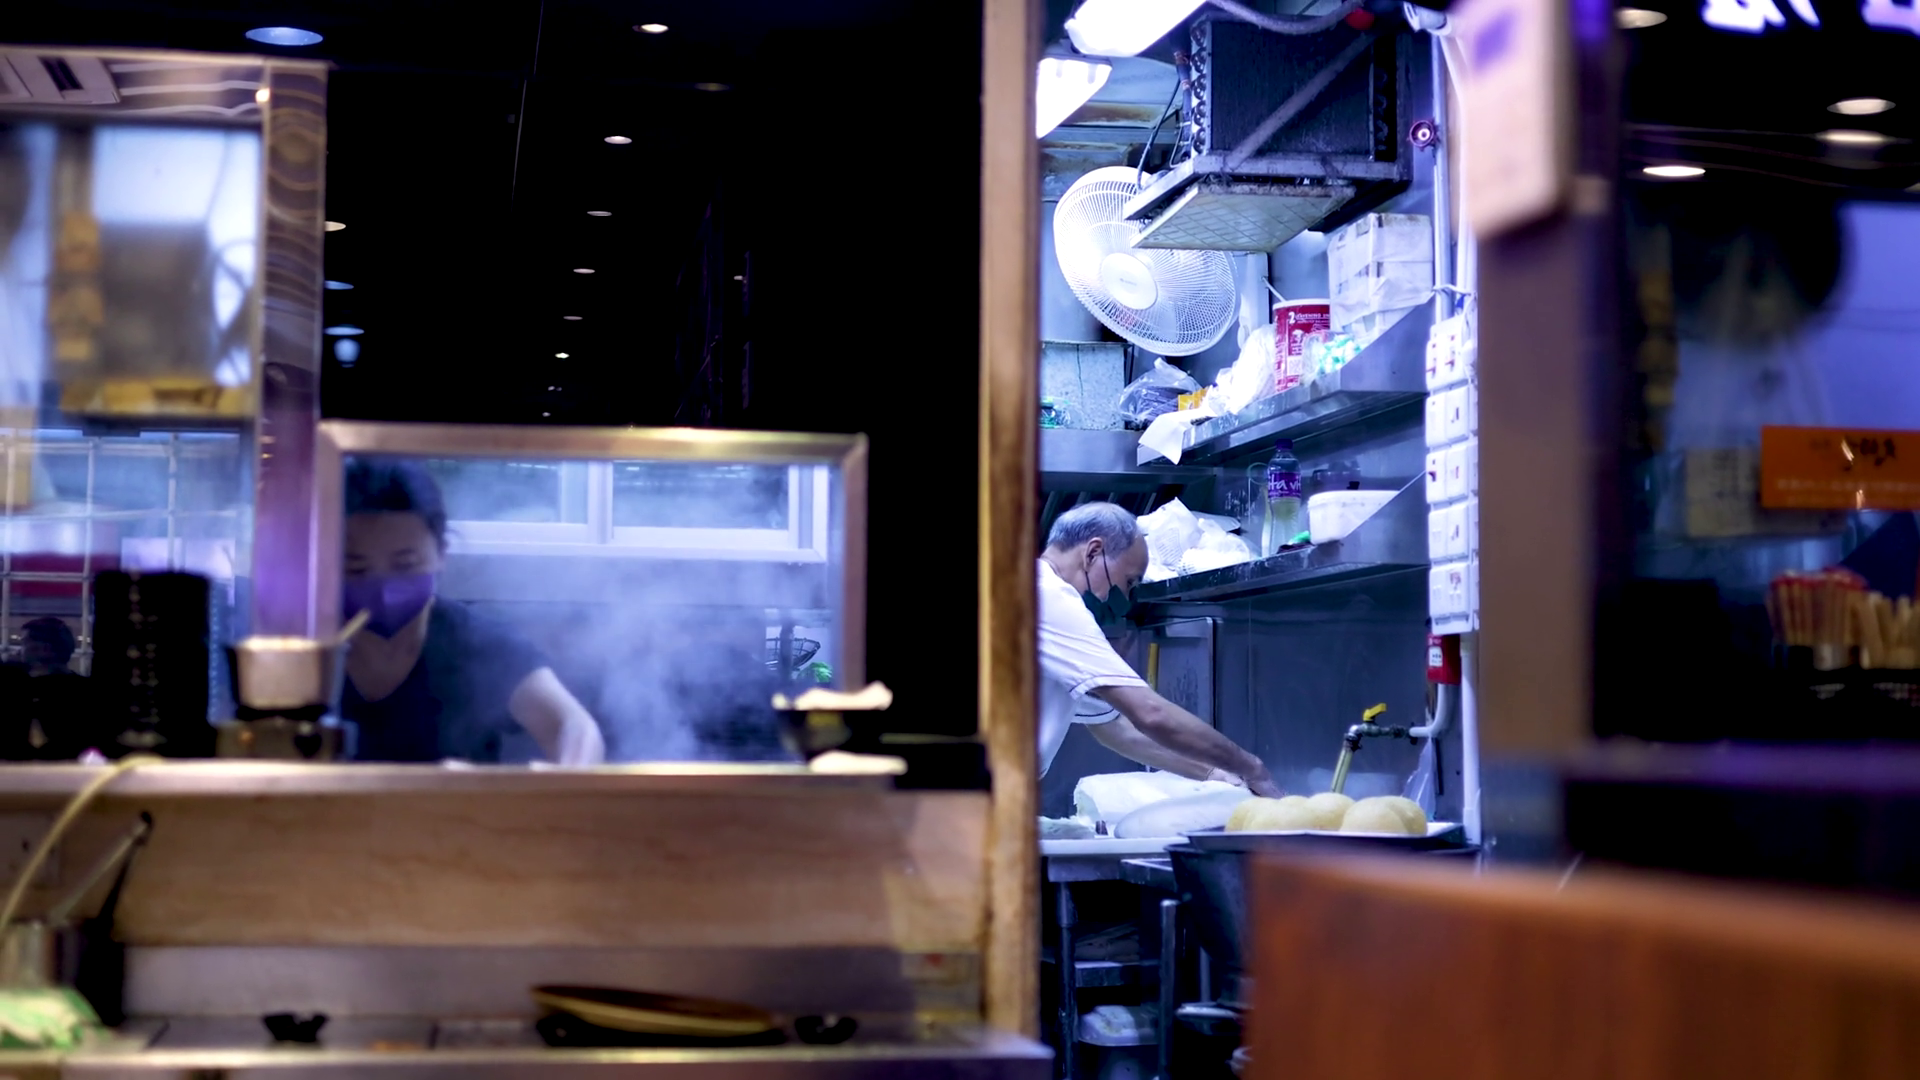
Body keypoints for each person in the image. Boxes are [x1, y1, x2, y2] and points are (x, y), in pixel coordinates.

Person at [340, 459, 605, 765]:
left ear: (441, 554)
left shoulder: (474, 643)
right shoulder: (311, 646)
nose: (384, 589)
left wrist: (568, 774)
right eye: (357, 569)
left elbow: (574, 726)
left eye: (405, 566)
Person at [1038, 502, 1280, 795]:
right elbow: (1151, 713)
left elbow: (1116, 728)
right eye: (1129, 582)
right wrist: (1252, 768)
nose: (1124, 599)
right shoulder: (1051, 598)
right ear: (1093, 553)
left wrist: (1213, 773)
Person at [0, 617, 102, 761]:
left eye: (25, 642)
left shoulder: (14, 690)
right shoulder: (88, 690)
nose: (21, 649)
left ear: (45, 647)